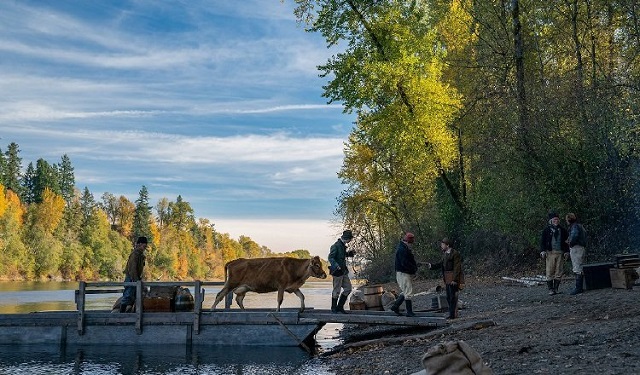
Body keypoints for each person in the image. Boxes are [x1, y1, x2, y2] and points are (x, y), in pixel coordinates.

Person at [427, 238, 464, 319]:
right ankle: (452, 314)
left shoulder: (455, 253)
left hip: (453, 277)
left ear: (447, 245)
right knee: (448, 297)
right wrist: (432, 266)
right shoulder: (445, 254)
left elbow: (457, 267)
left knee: (452, 297)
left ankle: (452, 315)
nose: (441, 246)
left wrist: (454, 279)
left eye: (443, 244)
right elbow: (441, 264)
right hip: (447, 278)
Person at [390, 232, 418, 317]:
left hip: (403, 272)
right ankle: (409, 312)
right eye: (411, 243)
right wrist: (413, 269)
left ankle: (395, 306)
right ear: (408, 242)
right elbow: (404, 263)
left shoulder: (403, 248)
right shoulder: (402, 249)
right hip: (403, 273)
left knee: (405, 291)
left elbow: (407, 261)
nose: (411, 245)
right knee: (408, 292)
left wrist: (414, 267)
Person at [540, 212, 569, 295]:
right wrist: (543, 251)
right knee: (549, 271)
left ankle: (556, 288)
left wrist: (566, 251)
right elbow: (542, 242)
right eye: (554, 219)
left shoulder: (563, 230)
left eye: (557, 219)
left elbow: (566, 242)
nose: (556, 221)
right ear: (551, 220)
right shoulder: (546, 230)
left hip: (560, 252)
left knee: (559, 271)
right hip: (550, 253)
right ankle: (550, 289)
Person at [328, 230, 355, 314]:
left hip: (343, 271)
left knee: (348, 288)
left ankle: (339, 307)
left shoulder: (342, 246)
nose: (350, 241)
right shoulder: (335, 246)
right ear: (346, 238)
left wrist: (349, 254)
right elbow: (330, 257)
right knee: (336, 290)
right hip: (337, 271)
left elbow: (342, 255)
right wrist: (336, 265)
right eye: (350, 239)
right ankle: (333, 308)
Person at [120, 236, 147, 312]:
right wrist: (136, 281)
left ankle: (131, 313)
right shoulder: (135, 255)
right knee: (128, 296)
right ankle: (121, 315)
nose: (145, 247)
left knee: (135, 296)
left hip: (136, 278)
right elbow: (132, 269)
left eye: (145, 246)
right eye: (144, 245)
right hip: (131, 278)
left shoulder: (141, 255)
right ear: (139, 244)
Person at [566, 213, 587, 295]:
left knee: (577, 267)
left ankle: (579, 288)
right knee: (578, 266)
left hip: (577, 248)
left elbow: (574, 236)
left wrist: (570, 243)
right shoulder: (579, 226)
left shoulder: (575, 227)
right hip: (580, 247)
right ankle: (578, 287)